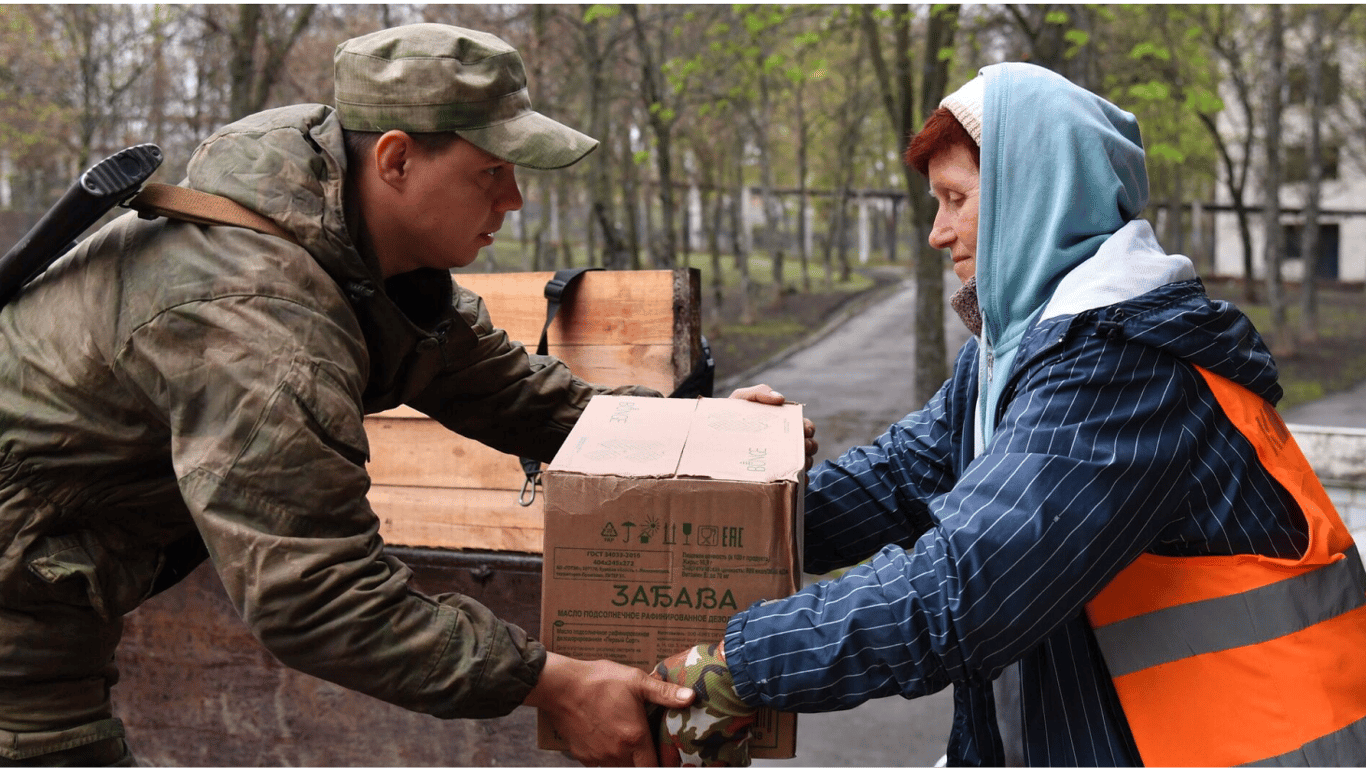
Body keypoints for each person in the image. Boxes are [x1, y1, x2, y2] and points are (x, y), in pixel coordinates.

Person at [0, 23, 813, 768]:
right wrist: (551, 682)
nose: (514, 199)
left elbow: (532, 401)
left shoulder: (352, 261)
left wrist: (700, 431)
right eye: (491, 172)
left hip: (55, 587)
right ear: (395, 160)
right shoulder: (258, 320)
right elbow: (316, 597)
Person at [654, 62, 1366, 768]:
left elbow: (964, 590)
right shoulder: (1012, 358)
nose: (938, 232)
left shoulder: (1126, 369)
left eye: (955, 198)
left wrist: (732, 671)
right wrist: (735, 501)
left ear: (1033, 197)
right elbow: (900, 482)